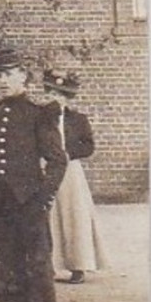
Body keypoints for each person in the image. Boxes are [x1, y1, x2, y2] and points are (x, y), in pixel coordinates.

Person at [0, 48, 68, 302]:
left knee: (38, 263)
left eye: (8, 74)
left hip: (29, 200)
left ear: (22, 76)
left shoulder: (38, 113)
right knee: (7, 263)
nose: (1, 81)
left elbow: (58, 159)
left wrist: (44, 197)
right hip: (0, 202)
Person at [42, 71, 106, 284]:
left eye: (61, 94)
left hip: (70, 171)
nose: (55, 98)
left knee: (74, 214)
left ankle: (78, 265)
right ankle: (48, 265)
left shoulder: (77, 119)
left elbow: (88, 146)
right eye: (51, 92)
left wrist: (69, 153)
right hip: (46, 167)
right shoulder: (40, 118)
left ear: (67, 98)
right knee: (47, 214)